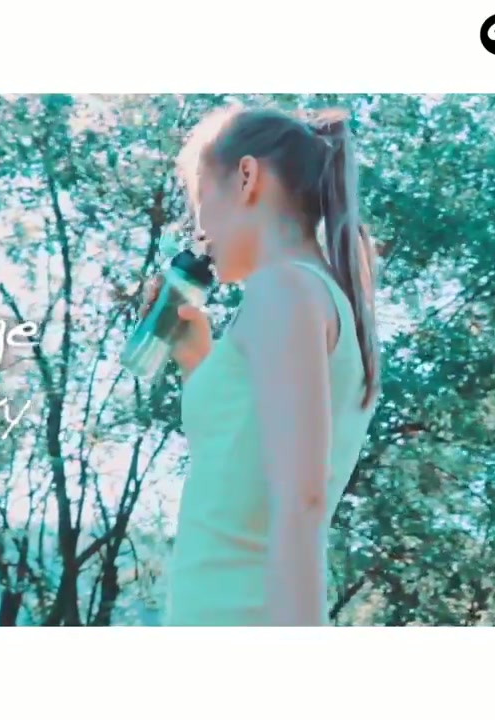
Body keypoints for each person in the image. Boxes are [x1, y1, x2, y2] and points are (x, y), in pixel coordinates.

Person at [143, 105, 381, 626]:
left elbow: (302, 501)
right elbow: (238, 472)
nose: (200, 230)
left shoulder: (284, 290)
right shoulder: (300, 296)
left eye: (200, 199)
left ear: (247, 177)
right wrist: (197, 361)